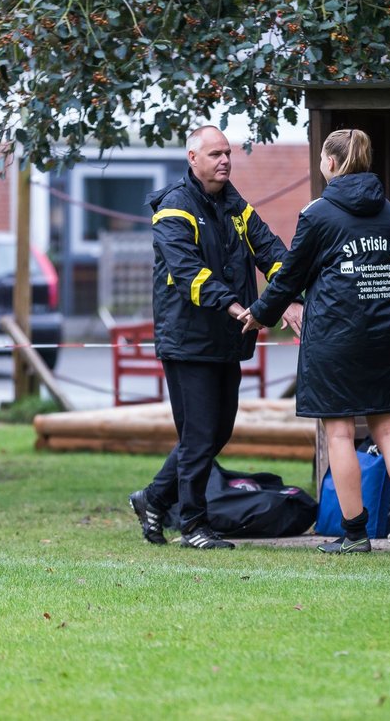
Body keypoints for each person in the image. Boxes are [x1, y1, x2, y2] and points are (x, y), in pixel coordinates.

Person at [238, 128, 390, 555]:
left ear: (330, 162)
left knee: (340, 434)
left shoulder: (319, 213)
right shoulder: (386, 209)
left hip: (334, 336)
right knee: (386, 430)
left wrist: (261, 312)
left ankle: (356, 533)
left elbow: (291, 275)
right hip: (379, 333)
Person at [128, 125, 302, 550]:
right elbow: (189, 271)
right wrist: (237, 306)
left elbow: (272, 251)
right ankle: (193, 525)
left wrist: (288, 298)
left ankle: (152, 497)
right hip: (188, 341)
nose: (225, 161)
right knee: (201, 432)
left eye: (228, 153)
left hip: (225, 339)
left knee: (215, 432)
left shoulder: (234, 204)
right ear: (192, 158)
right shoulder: (174, 207)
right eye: (215, 154)